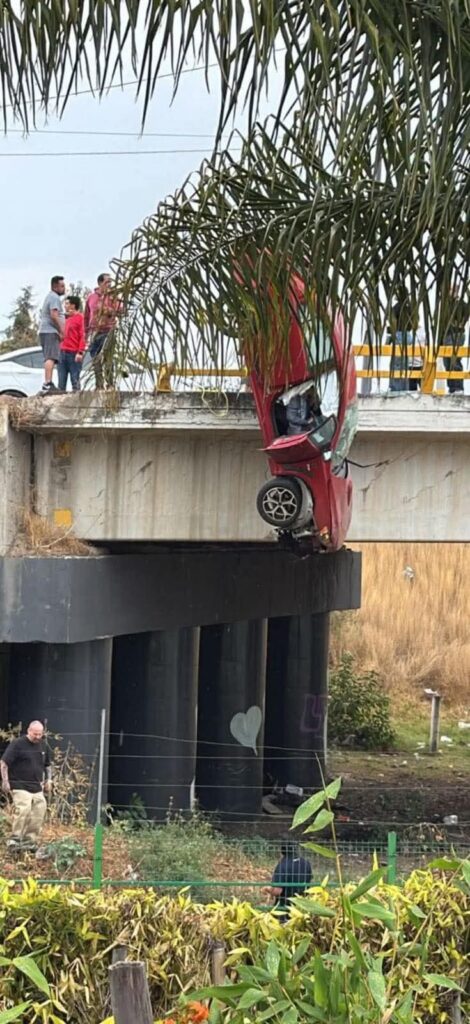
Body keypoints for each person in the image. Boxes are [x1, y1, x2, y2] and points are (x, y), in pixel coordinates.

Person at [1, 721, 51, 850]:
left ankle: (30, 840)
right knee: (24, 808)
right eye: (35, 734)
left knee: (40, 809)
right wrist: (5, 782)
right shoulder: (18, 744)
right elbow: (4, 763)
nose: (37, 737)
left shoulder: (43, 745)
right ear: (29, 731)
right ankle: (15, 838)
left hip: (36, 786)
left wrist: (49, 780)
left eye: (40, 734)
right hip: (19, 784)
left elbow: (48, 765)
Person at [84, 272, 122, 388]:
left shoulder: (113, 297)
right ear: (100, 283)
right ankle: (99, 384)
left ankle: (110, 384)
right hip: (94, 332)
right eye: (107, 282)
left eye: (111, 282)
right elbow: (86, 316)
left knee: (108, 357)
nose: (110, 284)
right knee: (95, 357)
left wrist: (109, 310)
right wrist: (86, 334)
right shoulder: (91, 297)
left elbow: (122, 311)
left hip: (108, 330)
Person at [38, 275, 66, 393]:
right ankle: (47, 384)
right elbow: (54, 315)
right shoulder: (54, 297)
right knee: (50, 357)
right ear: (55, 286)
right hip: (50, 331)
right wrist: (61, 330)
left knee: (51, 357)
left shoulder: (50, 297)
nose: (64, 288)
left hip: (46, 331)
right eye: (62, 286)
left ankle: (48, 383)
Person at [388, 302, 423, 392]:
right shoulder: (409, 307)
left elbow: (391, 316)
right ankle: (403, 388)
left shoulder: (398, 306)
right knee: (404, 364)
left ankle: (396, 388)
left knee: (397, 364)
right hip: (407, 335)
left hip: (400, 334)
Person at [270, 841, 312, 914]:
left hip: (285, 906)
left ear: (282, 850)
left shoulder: (282, 865)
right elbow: (309, 881)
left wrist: (267, 890)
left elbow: (277, 891)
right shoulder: (306, 863)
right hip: (303, 905)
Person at [442, 285, 468, 394]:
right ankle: (452, 388)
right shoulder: (447, 304)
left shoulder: (460, 303)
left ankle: (458, 387)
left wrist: (459, 324)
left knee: (455, 361)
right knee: (447, 362)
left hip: (456, 335)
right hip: (447, 335)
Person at [58, 295, 86, 392]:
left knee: (75, 381)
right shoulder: (65, 319)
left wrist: (80, 352)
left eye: (67, 304)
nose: (65, 306)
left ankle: (77, 404)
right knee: (61, 383)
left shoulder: (80, 318)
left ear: (73, 306)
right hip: (62, 352)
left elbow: (82, 335)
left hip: (73, 353)